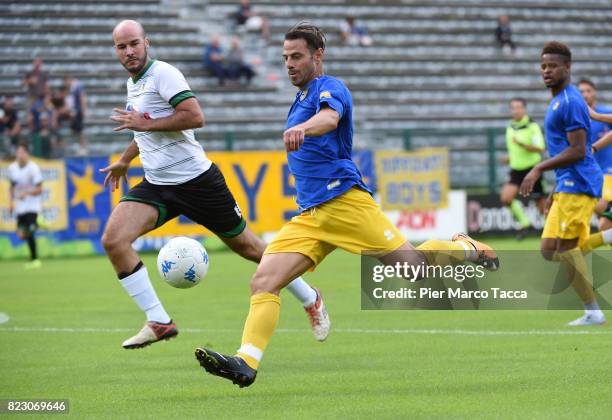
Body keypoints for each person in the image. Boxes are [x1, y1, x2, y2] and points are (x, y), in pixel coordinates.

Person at [194, 23, 499, 388]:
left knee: (415, 271)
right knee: (263, 280)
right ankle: (246, 361)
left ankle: (466, 246)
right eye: (285, 58)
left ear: (318, 56)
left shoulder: (329, 88)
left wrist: (304, 128)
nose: (289, 64)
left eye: (297, 57)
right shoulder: (301, 96)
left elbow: (330, 118)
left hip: (345, 202)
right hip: (311, 215)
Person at [102, 20, 329, 350]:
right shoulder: (133, 84)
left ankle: (311, 298)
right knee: (113, 240)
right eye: (122, 47)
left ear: (146, 43)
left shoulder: (164, 74)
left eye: (134, 43)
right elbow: (144, 128)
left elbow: (195, 116)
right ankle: (159, 321)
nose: (129, 51)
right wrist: (125, 159)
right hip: (158, 183)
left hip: (197, 182)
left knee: (250, 249)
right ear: (116, 51)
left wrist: (145, 125)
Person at [519, 41, 612, 327]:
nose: (546, 71)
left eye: (552, 66)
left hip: (580, 183)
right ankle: (608, 237)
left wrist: (537, 168)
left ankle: (592, 312)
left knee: (568, 249)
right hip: (566, 184)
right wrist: (555, 188)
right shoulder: (560, 99)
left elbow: (577, 150)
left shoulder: (570, 101)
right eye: (543, 66)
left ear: (567, 67)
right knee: (549, 250)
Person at [499, 98, 546, 239]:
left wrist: (522, 145)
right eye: (513, 107)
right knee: (506, 198)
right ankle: (525, 224)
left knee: (542, 206)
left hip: (533, 170)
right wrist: (509, 158)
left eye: (519, 107)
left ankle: (552, 233)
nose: (516, 110)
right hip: (516, 170)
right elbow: (514, 151)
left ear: (524, 109)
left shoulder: (532, 126)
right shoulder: (510, 128)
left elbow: (540, 148)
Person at [578, 78, 612, 232]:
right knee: (604, 227)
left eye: (588, 91)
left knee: (600, 206)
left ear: (595, 92)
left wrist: (597, 116)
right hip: (587, 173)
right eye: (581, 92)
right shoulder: (574, 118)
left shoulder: (605, 113)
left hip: (608, 170)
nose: (585, 94)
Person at [8, 142, 43, 270]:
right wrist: (11, 202)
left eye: (22, 152)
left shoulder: (33, 168)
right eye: (18, 152)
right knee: (22, 235)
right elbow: (11, 187)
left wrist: (27, 193)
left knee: (30, 230)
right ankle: (37, 224)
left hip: (32, 206)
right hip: (20, 206)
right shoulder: (12, 168)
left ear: (27, 154)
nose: (20, 155)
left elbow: (40, 189)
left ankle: (34, 259)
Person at [64, 75, 88, 155]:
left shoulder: (77, 86)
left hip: (78, 112)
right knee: (76, 130)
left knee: (80, 131)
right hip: (75, 112)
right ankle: (79, 147)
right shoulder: (73, 88)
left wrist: (83, 110)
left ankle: (83, 148)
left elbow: (82, 98)